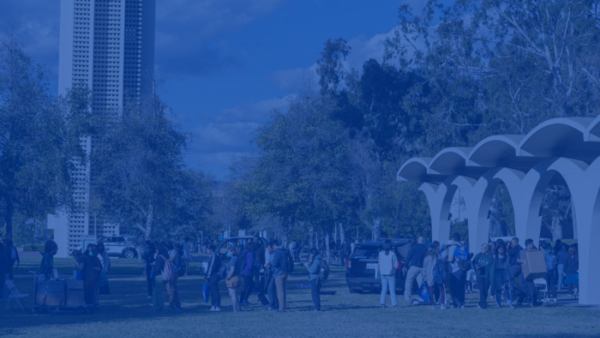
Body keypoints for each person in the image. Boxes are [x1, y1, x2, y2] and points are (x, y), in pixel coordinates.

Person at [515, 239, 542, 306]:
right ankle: (519, 302)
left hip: (530, 273)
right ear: (529, 244)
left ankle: (534, 302)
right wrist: (523, 261)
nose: (533, 245)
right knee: (525, 289)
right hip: (523, 273)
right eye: (532, 244)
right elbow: (517, 260)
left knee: (532, 288)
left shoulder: (533, 251)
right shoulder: (522, 251)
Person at [422, 241, 446, 309]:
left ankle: (432, 305)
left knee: (431, 291)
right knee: (441, 290)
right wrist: (438, 254)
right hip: (437, 276)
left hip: (429, 276)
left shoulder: (426, 258)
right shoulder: (437, 257)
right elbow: (443, 261)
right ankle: (442, 305)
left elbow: (424, 269)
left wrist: (424, 277)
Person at [403, 236, 427, 301]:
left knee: (409, 281)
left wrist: (405, 265)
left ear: (417, 241)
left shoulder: (413, 248)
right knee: (421, 283)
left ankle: (407, 297)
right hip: (422, 268)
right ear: (423, 241)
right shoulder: (425, 249)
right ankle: (422, 298)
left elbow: (408, 257)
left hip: (414, 267)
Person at [447, 233, 467, 308]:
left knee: (454, 288)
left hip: (455, 270)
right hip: (463, 269)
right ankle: (462, 304)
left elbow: (451, 259)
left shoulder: (452, 247)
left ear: (453, 239)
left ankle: (456, 304)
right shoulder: (464, 247)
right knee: (462, 287)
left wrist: (446, 260)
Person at [267, 239, 287, 312]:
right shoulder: (284, 249)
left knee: (280, 292)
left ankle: (281, 308)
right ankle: (283, 307)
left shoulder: (277, 251)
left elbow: (275, 263)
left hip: (279, 273)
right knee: (283, 291)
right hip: (285, 271)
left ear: (273, 245)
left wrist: (271, 263)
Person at [473, 243, 495, 309]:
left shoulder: (491, 257)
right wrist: (476, 266)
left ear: (486, 249)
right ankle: (484, 306)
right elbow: (473, 262)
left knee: (485, 291)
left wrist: (492, 280)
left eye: (482, 248)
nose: (481, 250)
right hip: (479, 275)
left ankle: (481, 303)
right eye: (481, 248)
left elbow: (491, 269)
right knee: (481, 289)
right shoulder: (479, 255)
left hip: (487, 276)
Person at [378, 239, 399, 308]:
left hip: (383, 274)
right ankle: (395, 304)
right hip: (391, 274)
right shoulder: (393, 254)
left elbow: (379, 263)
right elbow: (396, 265)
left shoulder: (380, 253)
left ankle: (383, 304)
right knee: (392, 291)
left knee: (384, 289)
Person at [493, 243, 513, 308]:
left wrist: (511, 275)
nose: (501, 251)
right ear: (497, 249)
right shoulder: (494, 256)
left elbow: (509, 266)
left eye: (502, 249)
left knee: (508, 288)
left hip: (505, 273)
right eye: (499, 249)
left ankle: (509, 303)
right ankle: (498, 304)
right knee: (498, 289)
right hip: (497, 273)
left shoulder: (507, 257)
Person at [151, 243, 169, 312]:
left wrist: (153, 265)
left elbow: (157, 269)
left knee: (159, 293)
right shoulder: (165, 256)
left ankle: (161, 308)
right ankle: (154, 307)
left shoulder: (159, 257)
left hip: (159, 276)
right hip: (165, 275)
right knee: (156, 292)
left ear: (158, 250)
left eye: (156, 249)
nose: (155, 250)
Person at [164, 241, 181, 310]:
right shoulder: (167, 252)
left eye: (165, 246)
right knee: (170, 289)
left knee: (174, 288)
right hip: (168, 272)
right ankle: (172, 304)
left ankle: (177, 305)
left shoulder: (173, 251)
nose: (164, 247)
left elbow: (171, 260)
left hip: (174, 272)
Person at [205, 245, 222, 311]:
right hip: (213, 276)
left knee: (215, 291)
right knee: (212, 291)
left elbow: (211, 268)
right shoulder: (212, 256)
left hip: (213, 276)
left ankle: (217, 306)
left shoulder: (214, 256)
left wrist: (207, 276)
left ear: (211, 250)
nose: (206, 251)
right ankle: (213, 306)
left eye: (207, 250)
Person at [226, 247, 242, 312]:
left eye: (228, 251)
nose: (228, 253)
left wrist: (228, 277)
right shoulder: (238, 258)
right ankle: (238, 308)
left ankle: (234, 309)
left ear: (232, 252)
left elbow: (232, 270)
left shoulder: (233, 259)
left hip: (232, 278)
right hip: (238, 277)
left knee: (232, 294)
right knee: (234, 294)